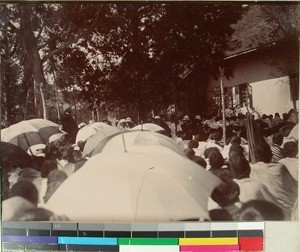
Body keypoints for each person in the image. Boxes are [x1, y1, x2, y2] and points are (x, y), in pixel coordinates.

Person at [250, 143, 298, 213]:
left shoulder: (254, 168)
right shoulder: (280, 167)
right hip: (288, 207)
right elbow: (293, 186)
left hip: (269, 207)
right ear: (270, 153)